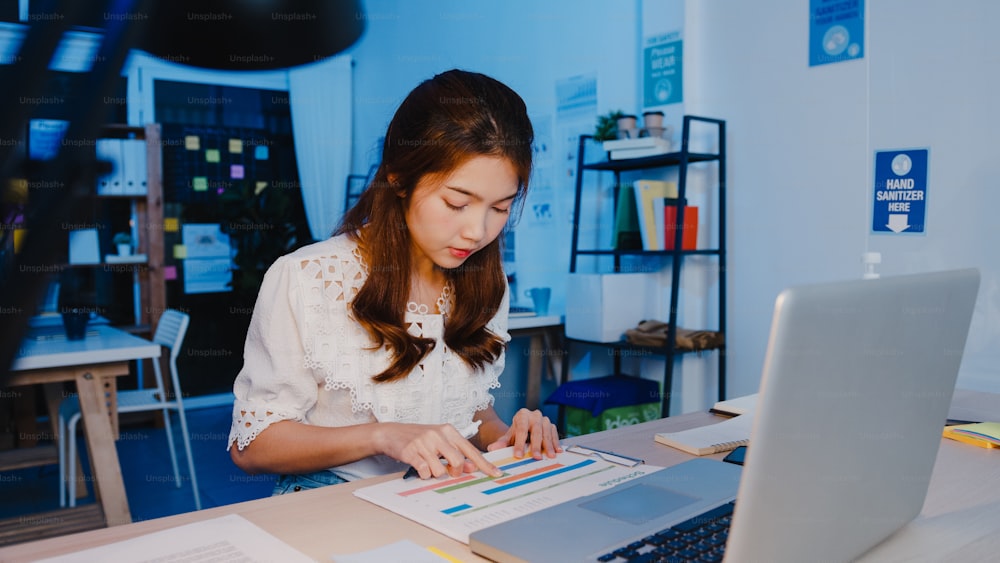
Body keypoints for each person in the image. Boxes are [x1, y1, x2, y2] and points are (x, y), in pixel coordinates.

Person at [228, 69, 562, 494]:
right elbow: (252, 445)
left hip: (443, 495)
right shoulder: (307, 278)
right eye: (457, 203)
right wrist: (382, 435)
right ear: (398, 178)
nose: (477, 232)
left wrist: (505, 438)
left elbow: (471, 410)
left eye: (500, 208)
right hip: (331, 500)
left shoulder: (485, 280)